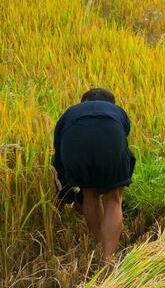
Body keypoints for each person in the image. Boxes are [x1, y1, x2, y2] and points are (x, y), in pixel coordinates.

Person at [52, 87, 135, 263]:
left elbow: (58, 155)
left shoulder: (70, 113)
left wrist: (66, 192)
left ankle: (99, 245)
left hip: (74, 144)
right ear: (111, 104)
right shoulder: (117, 111)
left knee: (89, 193)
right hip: (110, 139)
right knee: (113, 198)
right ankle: (108, 260)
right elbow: (123, 143)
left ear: (83, 102)